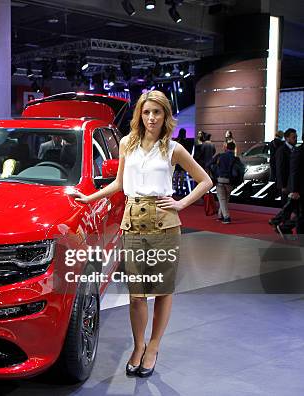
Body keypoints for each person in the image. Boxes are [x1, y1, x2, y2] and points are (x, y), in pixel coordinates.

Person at [69, 90, 212, 378]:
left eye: (157, 112)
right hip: (132, 222)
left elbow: (205, 181)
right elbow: (119, 184)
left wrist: (181, 203)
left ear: (165, 116)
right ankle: (138, 346)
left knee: (161, 291)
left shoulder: (174, 149)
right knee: (137, 294)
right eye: (146, 112)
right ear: (140, 115)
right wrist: (90, 198)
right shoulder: (126, 144)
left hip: (165, 225)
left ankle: (154, 346)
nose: (151, 118)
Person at [270, 129, 298, 231]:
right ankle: (282, 227)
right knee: (287, 208)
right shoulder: (281, 150)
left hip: (293, 184)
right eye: (293, 137)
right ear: (286, 138)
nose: (295, 139)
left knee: (289, 208)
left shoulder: (295, 149)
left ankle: (279, 224)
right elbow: (280, 169)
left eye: (296, 137)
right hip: (285, 185)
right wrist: (283, 186)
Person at [212, 141, 242, 224]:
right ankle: (220, 215)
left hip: (220, 180)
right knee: (226, 199)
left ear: (226, 148)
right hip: (230, 181)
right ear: (234, 148)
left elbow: (209, 164)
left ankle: (226, 217)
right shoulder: (236, 159)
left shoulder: (220, 156)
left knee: (222, 199)